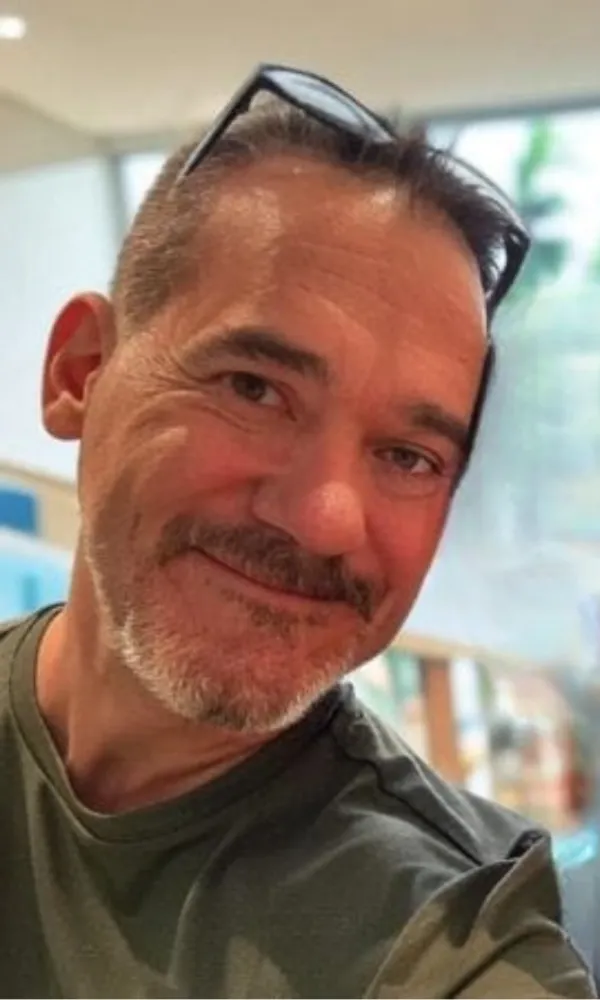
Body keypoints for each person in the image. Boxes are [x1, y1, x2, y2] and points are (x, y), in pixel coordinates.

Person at [0, 64, 593, 999]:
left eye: (407, 455)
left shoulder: (449, 943)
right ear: (81, 371)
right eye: (254, 389)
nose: (324, 519)